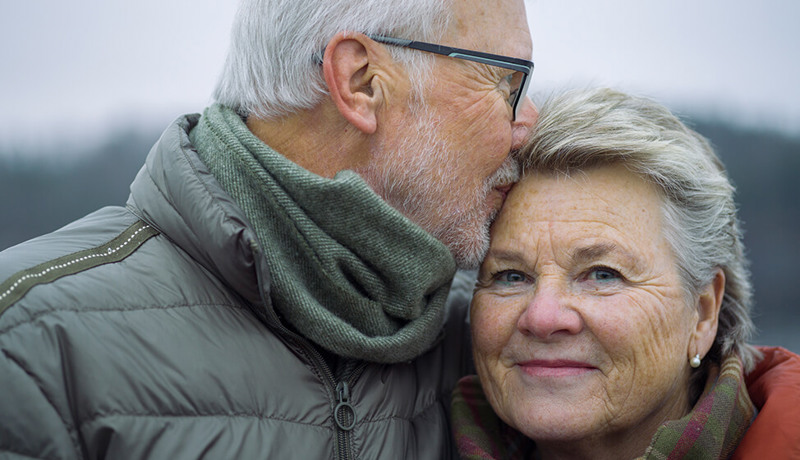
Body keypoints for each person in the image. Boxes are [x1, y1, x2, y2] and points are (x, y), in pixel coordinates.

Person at [0, 0, 537, 458]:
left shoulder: (500, 337)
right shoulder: (31, 342)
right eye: (506, 82)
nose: (528, 123)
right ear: (361, 81)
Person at [451, 88, 800, 459]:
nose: (542, 318)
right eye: (511, 276)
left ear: (702, 314)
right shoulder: (415, 433)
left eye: (603, 275)